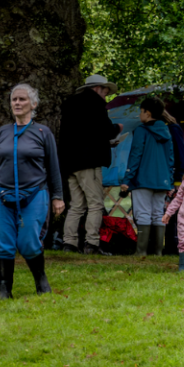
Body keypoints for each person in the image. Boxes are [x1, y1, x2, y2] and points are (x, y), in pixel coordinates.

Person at [0, 83, 65, 298]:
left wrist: (57, 197)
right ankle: (4, 290)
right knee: (2, 243)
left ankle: (41, 280)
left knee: (28, 241)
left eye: (22, 99)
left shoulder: (43, 132)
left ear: (33, 104)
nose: (17, 103)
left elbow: (54, 167)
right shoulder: (2, 132)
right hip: (0, 194)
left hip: (35, 194)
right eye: (14, 100)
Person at [56, 74, 122, 254]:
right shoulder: (95, 104)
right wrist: (117, 129)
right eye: (105, 92)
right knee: (96, 204)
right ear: (97, 89)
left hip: (70, 162)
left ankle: (69, 243)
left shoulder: (70, 105)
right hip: (88, 161)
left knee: (77, 204)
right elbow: (106, 130)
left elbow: (84, 133)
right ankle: (91, 243)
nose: (106, 97)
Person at [123, 96, 177, 257]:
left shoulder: (141, 130)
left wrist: (127, 179)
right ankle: (158, 252)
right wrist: (170, 181)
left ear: (147, 113)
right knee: (157, 214)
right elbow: (170, 158)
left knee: (143, 213)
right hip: (162, 180)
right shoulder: (167, 131)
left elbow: (135, 156)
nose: (140, 115)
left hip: (143, 179)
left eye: (141, 111)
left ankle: (141, 251)